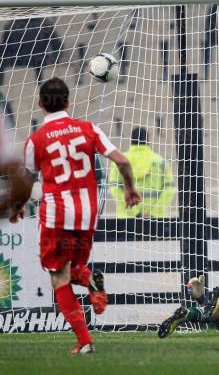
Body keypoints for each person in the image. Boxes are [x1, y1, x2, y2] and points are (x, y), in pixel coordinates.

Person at [9, 78, 141, 354]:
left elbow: (28, 180)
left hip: (57, 216)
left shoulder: (36, 139)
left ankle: (85, 341)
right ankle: (90, 279)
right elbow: (122, 160)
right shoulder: (88, 128)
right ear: (69, 101)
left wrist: (18, 205)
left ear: (40, 104)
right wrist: (130, 189)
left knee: (59, 277)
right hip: (88, 214)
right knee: (75, 269)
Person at [108, 126, 175, 218]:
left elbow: (114, 188)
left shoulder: (120, 161)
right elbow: (169, 189)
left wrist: (135, 212)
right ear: (147, 140)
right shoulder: (160, 161)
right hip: (156, 219)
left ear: (131, 140)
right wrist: (153, 213)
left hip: (127, 217)